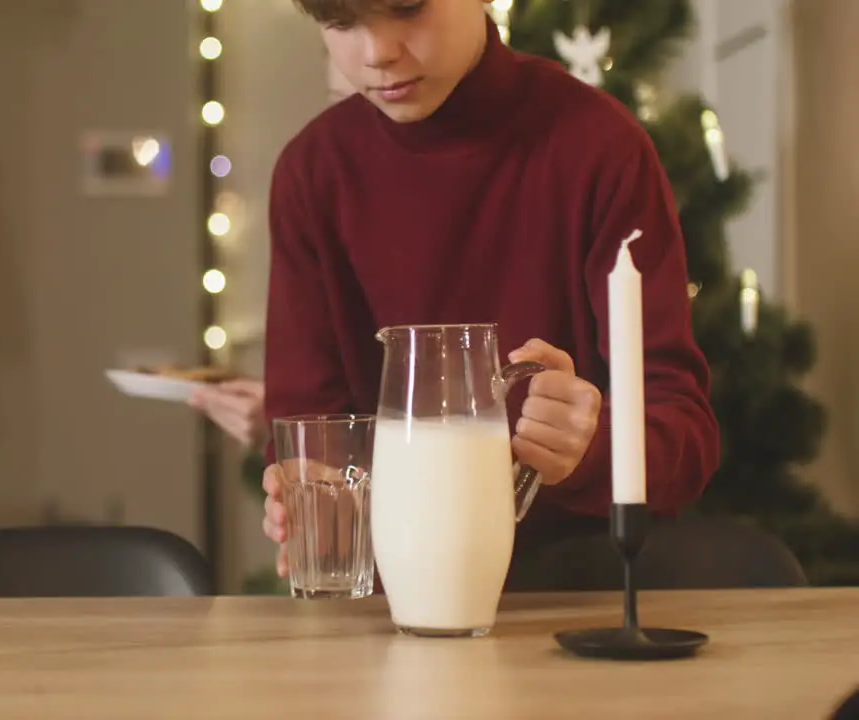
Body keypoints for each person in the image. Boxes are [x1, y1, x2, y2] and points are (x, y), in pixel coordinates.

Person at [259, 0, 720, 586]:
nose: (377, 53)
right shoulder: (313, 172)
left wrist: (593, 445)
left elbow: (686, 436)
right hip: (393, 606)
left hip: (583, 596)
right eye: (342, 23)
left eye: (407, 9)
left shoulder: (598, 145)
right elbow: (309, 430)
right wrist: (305, 491)